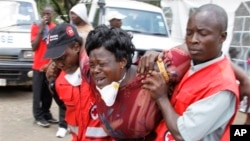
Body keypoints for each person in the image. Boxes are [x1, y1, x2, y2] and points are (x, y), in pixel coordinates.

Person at [141, 4, 239, 141]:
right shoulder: (192, 62)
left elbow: (183, 134)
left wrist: (161, 97)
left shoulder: (221, 87)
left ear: (222, 37)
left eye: (203, 34)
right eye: (189, 33)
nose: (193, 40)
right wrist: (156, 56)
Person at [85, 25, 168, 140]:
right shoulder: (94, 78)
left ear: (122, 62)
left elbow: (190, 49)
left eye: (102, 64)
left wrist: (158, 54)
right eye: (92, 65)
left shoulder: (150, 79)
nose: (95, 70)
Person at [44, 23, 112, 141]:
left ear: (76, 47)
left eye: (62, 57)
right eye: (55, 60)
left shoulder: (99, 72)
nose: (59, 64)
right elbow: (65, 107)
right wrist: (51, 84)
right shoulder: (60, 79)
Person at [30, 5, 58, 128]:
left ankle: (46, 113)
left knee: (48, 93)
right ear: (42, 14)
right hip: (38, 66)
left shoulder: (54, 28)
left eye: (49, 14)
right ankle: (38, 116)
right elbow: (33, 47)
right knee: (38, 93)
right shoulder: (36, 26)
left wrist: (51, 64)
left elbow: (56, 47)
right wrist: (40, 31)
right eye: (44, 13)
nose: (46, 16)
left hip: (50, 66)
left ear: (52, 15)